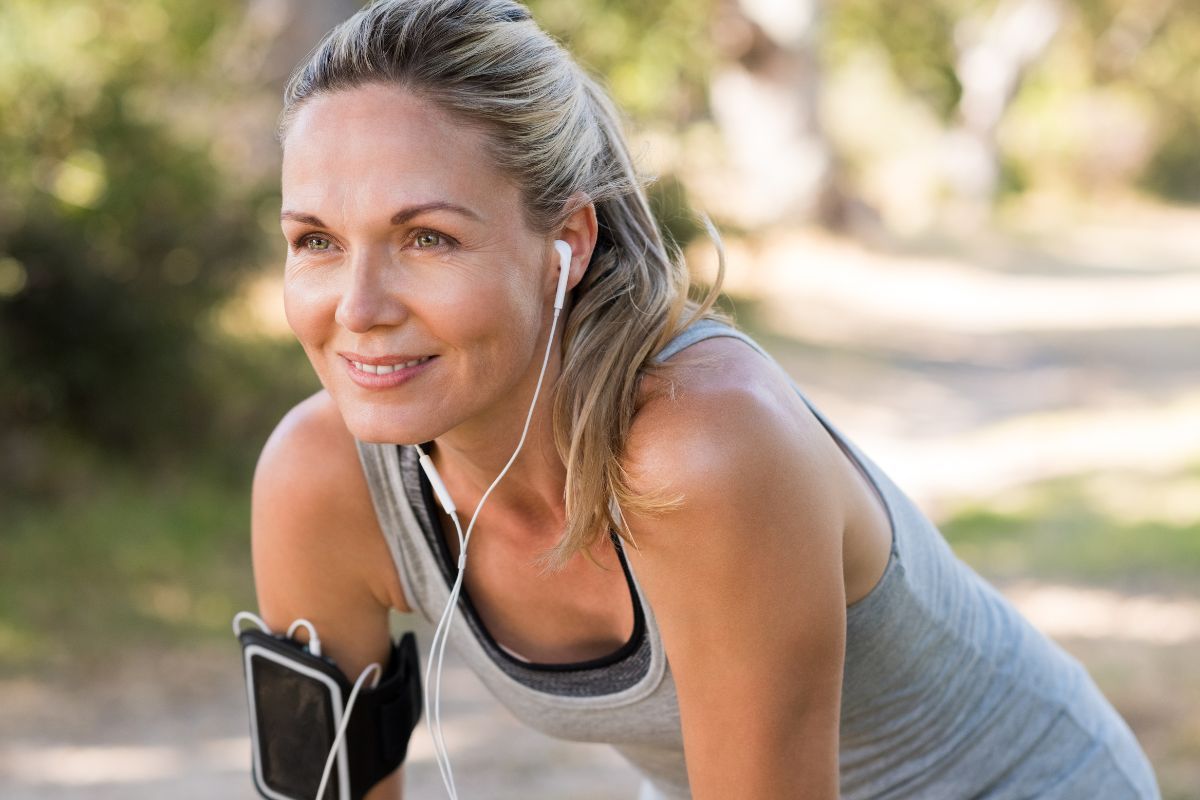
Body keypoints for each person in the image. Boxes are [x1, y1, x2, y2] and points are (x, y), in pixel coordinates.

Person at [249, 0, 1163, 798]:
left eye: (428, 239)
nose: (358, 310)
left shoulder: (701, 449)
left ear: (565, 242)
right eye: (317, 242)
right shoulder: (321, 480)